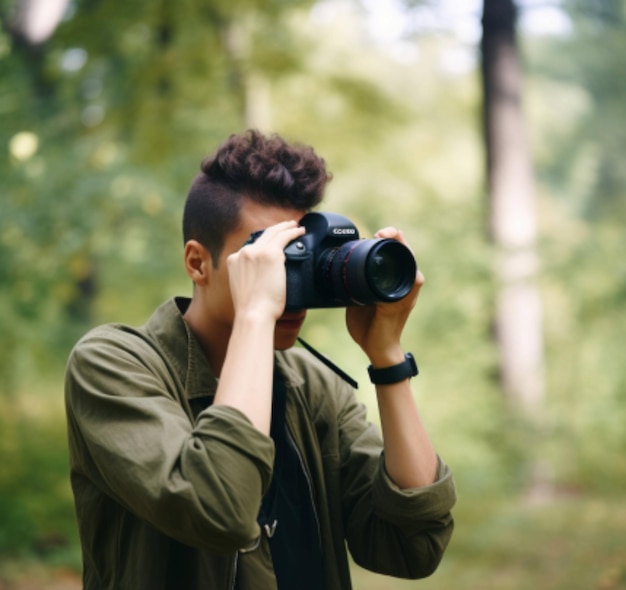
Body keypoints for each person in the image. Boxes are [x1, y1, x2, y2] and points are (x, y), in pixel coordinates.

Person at [65, 129, 456, 590]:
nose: (290, 287)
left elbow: (411, 546)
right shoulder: (112, 365)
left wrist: (387, 356)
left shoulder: (313, 386)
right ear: (197, 263)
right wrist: (255, 314)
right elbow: (220, 511)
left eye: (302, 261)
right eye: (270, 261)